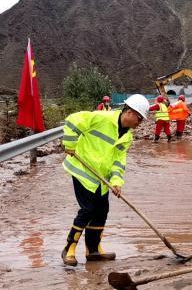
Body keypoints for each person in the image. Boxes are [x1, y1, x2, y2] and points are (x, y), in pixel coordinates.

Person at [60, 94, 149, 266]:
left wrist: (116, 181)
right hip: (83, 171)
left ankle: (93, 250)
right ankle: (69, 249)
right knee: (88, 209)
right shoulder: (102, 118)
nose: (140, 123)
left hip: (102, 180)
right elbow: (72, 120)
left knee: (102, 210)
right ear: (130, 112)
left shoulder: (127, 137)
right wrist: (70, 144)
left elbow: (118, 161)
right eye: (139, 118)